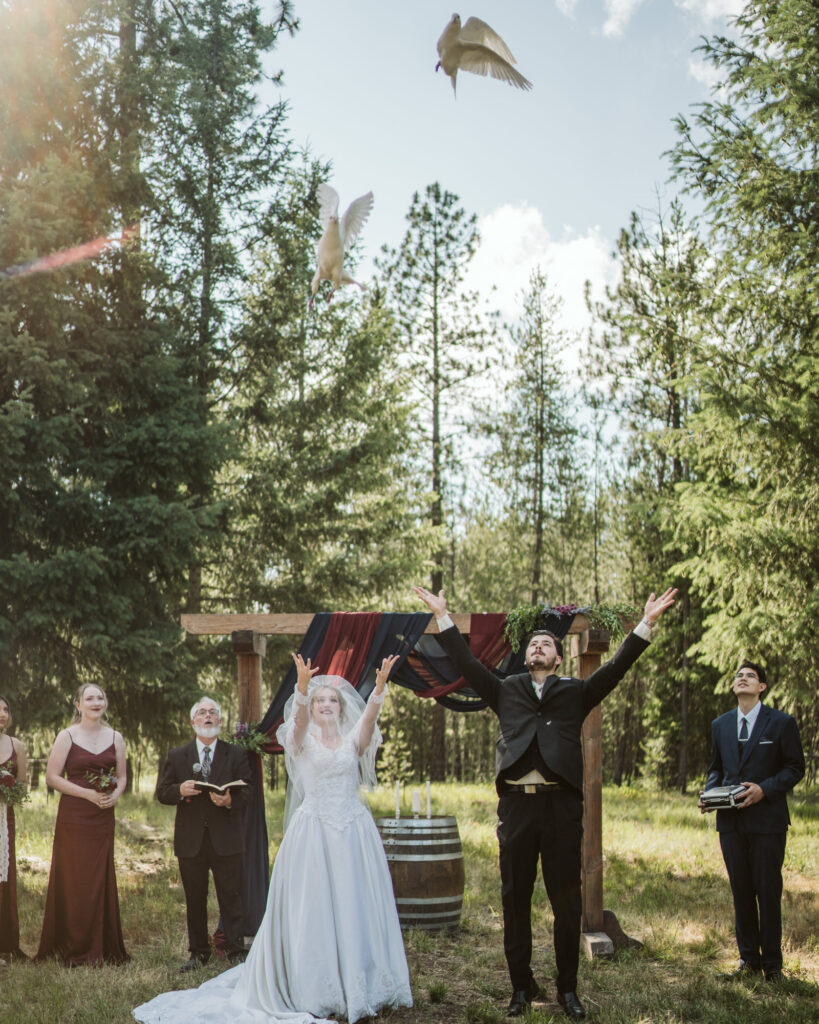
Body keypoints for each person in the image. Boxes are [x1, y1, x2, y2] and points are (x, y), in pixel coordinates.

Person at [414, 584, 677, 1020]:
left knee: (565, 903)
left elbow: (616, 669)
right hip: (516, 809)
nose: (538, 646)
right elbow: (465, 663)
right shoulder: (505, 689)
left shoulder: (575, 693)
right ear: (527, 655)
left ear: (558, 658)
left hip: (560, 810)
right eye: (533, 643)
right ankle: (520, 988)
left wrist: (645, 624)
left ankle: (568, 990)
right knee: (514, 898)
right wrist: (443, 617)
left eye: (547, 644)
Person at [134, 654, 413, 1024]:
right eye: (320, 701)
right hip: (314, 834)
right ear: (312, 709)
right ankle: (314, 981)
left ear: (340, 707)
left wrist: (379, 688)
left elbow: (368, 724)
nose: (326, 704)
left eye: (332, 700)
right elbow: (295, 727)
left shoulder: (351, 742)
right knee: (314, 906)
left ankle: (360, 980)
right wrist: (301, 689)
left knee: (354, 903)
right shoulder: (300, 740)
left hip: (352, 833)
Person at [699, 660, 804, 983]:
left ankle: (773, 966)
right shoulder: (721, 724)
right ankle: (748, 961)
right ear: (734, 687)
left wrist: (764, 789)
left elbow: (794, 768)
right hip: (730, 823)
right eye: (738, 676)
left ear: (762, 687)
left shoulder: (781, 723)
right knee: (741, 891)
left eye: (750, 676)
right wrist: (709, 791)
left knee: (767, 891)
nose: (742, 679)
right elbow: (717, 768)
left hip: (767, 822)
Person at [156, 697, 253, 971]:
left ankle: (235, 950)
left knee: (231, 896)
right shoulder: (178, 755)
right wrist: (180, 791)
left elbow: (248, 792)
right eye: (202, 712)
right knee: (194, 898)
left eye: (213, 712)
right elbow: (162, 793)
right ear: (193, 721)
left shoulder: (235, 754)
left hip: (227, 838)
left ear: (219, 721)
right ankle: (198, 953)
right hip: (191, 841)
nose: (207, 716)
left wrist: (230, 801)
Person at [36, 682, 129, 965]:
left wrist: (114, 795)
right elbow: (52, 777)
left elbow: (122, 776)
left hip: (102, 816)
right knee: (74, 877)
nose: (96, 702)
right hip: (74, 815)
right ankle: (72, 943)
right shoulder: (67, 736)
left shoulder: (116, 737)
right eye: (89, 698)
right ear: (78, 705)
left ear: (105, 703)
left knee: (99, 876)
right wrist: (87, 793)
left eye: (100, 697)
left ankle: (103, 944)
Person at [0, 695, 27, 963]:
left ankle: (6, 943)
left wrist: (8, 791)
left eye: (6, 709)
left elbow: (21, 788)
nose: (2, 714)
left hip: (5, 818)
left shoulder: (15, 745)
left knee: (4, 876)